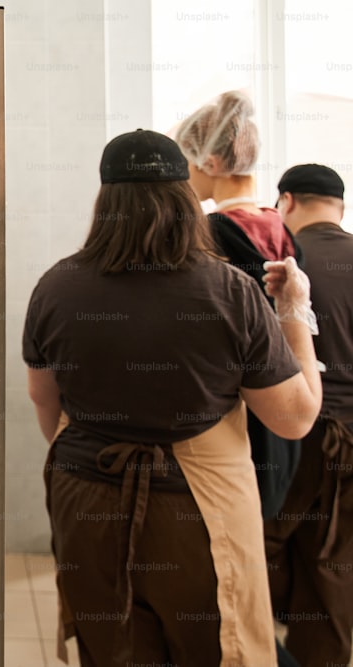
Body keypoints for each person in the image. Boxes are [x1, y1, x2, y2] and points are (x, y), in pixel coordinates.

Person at [23, 129, 321, 665]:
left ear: (105, 203)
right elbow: (295, 418)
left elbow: (44, 402)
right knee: (213, 650)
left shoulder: (56, 285)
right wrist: (295, 311)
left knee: (114, 650)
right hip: (195, 511)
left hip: (85, 501)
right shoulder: (230, 291)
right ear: (187, 201)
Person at [175, 90, 305, 521]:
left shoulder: (209, 233)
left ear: (210, 164)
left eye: (187, 164)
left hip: (230, 419)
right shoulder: (280, 228)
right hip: (285, 401)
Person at [264, 164, 353, 667]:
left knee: (259, 551)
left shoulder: (282, 263)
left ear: (288, 202)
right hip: (351, 443)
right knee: (332, 570)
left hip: (290, 439)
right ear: (339, 206)